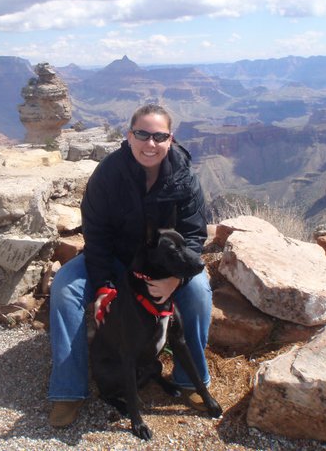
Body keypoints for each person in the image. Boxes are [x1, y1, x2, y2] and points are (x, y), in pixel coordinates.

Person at [47, 103, 213, 428]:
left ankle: (190, 381)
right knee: (65, 291)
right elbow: (96, 235)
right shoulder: (109, 173)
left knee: (197, 294)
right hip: (113, 258)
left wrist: (176, 279)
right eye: (142, 134)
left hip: (163, 266)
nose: (150, 144)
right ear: (129, 135)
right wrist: (104, 285)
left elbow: (194, 235)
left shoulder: (184, 176)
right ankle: (68, 390)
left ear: (170, 139)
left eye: (159, 136)